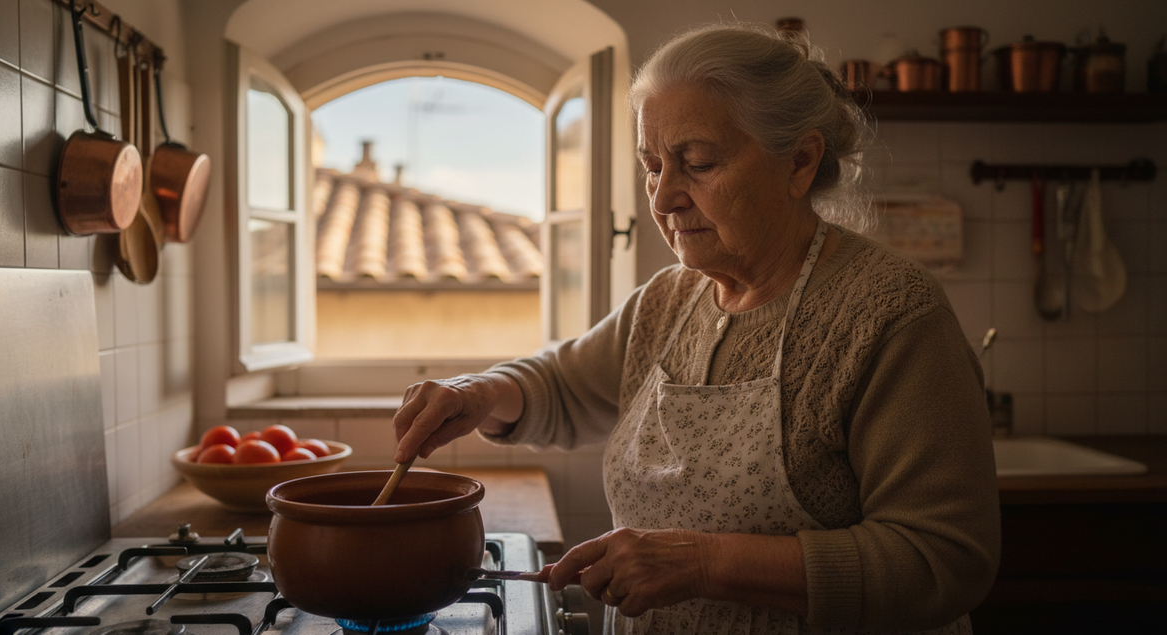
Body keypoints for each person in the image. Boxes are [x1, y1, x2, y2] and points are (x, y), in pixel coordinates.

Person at [392, 22, 1001, 635]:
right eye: (652, 166)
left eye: (698, 163)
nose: (663, 199)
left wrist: (702, 564)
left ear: (800, 161)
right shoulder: (670, 300)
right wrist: (480, 392)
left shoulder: (891, 314)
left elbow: (942, 562)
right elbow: (561, 384)